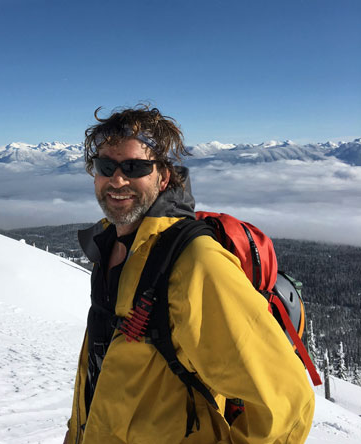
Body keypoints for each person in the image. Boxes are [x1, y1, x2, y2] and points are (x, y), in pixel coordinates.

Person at [65, 105, 314, 444]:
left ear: (163, 176)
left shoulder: (194, 262)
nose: (117, 179)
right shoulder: (108, 248)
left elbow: (286, 402)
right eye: (106, 166)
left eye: (134, 167)